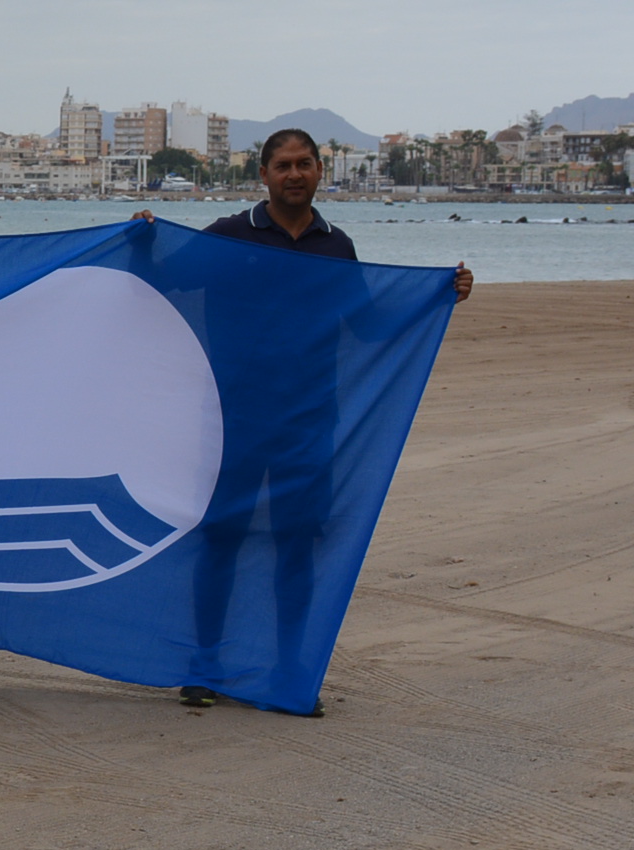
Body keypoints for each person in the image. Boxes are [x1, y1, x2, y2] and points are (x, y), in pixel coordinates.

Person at [168, 127, 471, 712]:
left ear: (318, 172)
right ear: (263, 174)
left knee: (296, 544)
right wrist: (142, 234)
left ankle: (289, 673)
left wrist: (439, 296)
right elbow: (169, 273)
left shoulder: (337, 247)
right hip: (235, 419)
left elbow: (370, 324)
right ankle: (203, 667)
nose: (294, 174)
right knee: (222, 539)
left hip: (308, 422)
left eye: (305, 164)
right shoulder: (232, 236)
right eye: (283, 165)